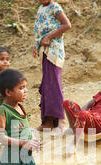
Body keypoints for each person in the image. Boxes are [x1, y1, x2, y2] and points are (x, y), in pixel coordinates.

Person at [33, 0, 71, 132]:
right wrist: (36, 45)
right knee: (46, 84)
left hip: (54, 50)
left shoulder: (55, 6)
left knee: (54, 83)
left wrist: (49, 36)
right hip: (45, 51)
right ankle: (48, 121)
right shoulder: (40, 8)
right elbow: (39, 30)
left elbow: (67, 25)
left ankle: (61, 120)